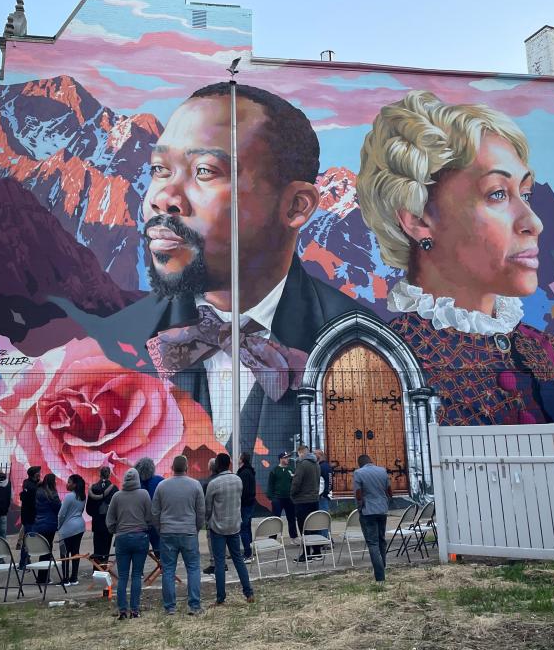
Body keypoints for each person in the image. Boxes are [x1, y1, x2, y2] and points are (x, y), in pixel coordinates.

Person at [59, 83, 366, 497]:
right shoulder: (114, 342)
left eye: (204, 171)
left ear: (297, 206)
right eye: (160, 170)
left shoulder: (354, 340)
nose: (163, 199)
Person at [356, 90, 554, 426]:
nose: (534, 222)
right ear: (418, 220)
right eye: (497, 194)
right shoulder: (387, 364)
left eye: (526, 193)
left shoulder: (547, 349)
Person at [152, 454, 205, 615]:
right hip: (188, 531)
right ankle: (194, 605)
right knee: (193, 568)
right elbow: (201, 512)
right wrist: (195, 528)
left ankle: (170, 607)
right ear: (187, 468)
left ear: (172, 468)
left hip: (167, 532)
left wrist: (160, 529)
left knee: (168, 570)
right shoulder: (195, 485)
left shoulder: (162, 486)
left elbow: (155, 512)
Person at [205, 453, 255, 605]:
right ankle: (249, 593)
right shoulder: (237, 480)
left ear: (218, 465)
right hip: (234, 526)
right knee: (238, 560)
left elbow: (208, 508)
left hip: (217, 528)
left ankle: (221, 598)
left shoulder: (214, 484)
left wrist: (208, 521)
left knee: (219, 563)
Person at [106, 468, 153, 619]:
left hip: (122, 538)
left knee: (123, 576)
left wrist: (117, 530)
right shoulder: (144, 494)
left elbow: (110, 520)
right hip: (140, 537)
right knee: (137, 575)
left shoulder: (117, 497)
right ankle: (134, 610)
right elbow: (150, 516)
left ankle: (122, 610)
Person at [353, 454, 392, 583]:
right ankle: (382, 566)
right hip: (382, 509)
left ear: (360, 464)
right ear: (371, 461)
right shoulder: (382, 471)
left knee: (373, 543)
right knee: (381, 540)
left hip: (368, 511)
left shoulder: (358, 473)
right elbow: (389, 491)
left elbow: (358, 495)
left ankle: (380, 577)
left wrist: (360, 507)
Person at [290, 445, 321, 562]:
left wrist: (292, 494)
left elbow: (296, 482)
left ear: (300, 453)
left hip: (302, 500)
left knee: (304, 528)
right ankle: (317, 552)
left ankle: (306, 554)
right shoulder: (316, 464)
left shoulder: (302, 464)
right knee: (314, 526)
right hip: (314, 499)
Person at [58, 474, 86, 586]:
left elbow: (61, 514)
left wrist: (59, 526)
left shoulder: (69, 497)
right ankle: (74, 577)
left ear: (74, 484)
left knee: (64, 553)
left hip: (67, 528)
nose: (67, 484)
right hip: (79, 526)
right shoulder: (82, 496)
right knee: (75, 552)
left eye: (69, 482)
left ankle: (65, 579)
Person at [33, 474, 61, 584]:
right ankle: (43, 577)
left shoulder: (38, 491)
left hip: (39, 523)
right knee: (47, 550)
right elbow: (58, 507)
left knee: (43, 549)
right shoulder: (52, 494)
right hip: (50, 524)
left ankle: (42, 576)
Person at [86, 467, 118, 565]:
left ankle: (96, 569)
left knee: (97, 547)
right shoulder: (114, 489)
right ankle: (105, 568)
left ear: (99, 474)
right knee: (106, 547)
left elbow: (89, 510)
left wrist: (96, 515)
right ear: (109, 474)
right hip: (108, 524)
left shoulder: (93, 488)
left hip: (97, 523)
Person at [135, 457, 163, 554]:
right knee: (159, 550)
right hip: (156, 521)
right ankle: (161, 567)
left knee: (138, 554)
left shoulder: (134, 483)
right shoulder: (160, 481)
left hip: (140, 523)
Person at [267, 452, 298, 540]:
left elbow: (294, 483)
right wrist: (271, 497)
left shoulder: (291, 470)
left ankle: (294, 537)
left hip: (289, 498)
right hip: (277, 498)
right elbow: (270, 484)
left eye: (288, 457)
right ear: (280, 459)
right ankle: (272, 538)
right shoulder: (274, 470)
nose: (287, 459)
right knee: (275, 519)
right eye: (285, 457)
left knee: (291, 518)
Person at [18, 465, 41, 570]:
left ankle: (26, 560)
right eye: (38, 472)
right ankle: (23, 563)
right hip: (30, 517)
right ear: (35, 474)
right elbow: (32, 502)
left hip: (28, 517)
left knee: (28, 539)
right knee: (28, 540)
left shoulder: (28, 483)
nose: (40, 474)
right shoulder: (31, 487)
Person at [236, 452, 257, 560]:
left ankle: (248, 553)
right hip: (249, 504)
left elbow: (243, 491)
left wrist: (239, 502)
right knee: (247, 528)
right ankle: (249, 551)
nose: (237, 458)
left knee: (243, 529)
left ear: (242, 459)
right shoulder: (249, 472)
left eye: (239, 456)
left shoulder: (244, 473)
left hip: (245, 505)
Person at [200, 457, 217, 575]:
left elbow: (205, 502)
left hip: (212, 517)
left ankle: (214, 564)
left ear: (210, 467)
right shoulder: (223, 479)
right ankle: (221, 563)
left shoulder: (207, 483)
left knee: (211, 540)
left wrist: (205, 517)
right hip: (223, 516)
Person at [315, 449, 332, 539]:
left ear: (320, 455)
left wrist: (324, 494)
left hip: (322, 497)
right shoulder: (322, 466)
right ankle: (327, 538)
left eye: (315, 453)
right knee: (322, 518)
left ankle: (325, 539)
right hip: (321, 496)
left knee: (323, 518)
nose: (313, 455)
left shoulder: (324, 466)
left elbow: (329, 481)